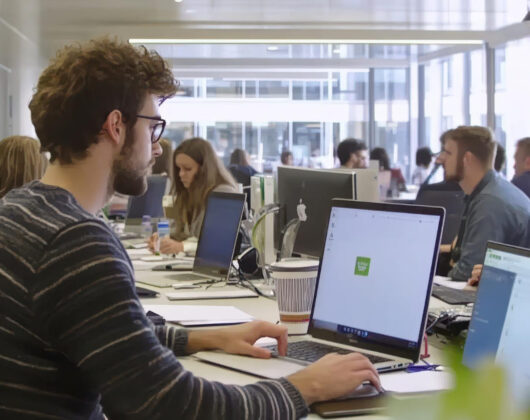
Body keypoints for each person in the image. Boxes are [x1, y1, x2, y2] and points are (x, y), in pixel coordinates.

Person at [0, 38, 380, 420]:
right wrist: (306, 386)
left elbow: (109, 335)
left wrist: (209, 337)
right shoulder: (75, 241)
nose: (158, 147)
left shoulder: (20, 211)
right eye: (153, 127)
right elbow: (170, 404)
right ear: (116, 126)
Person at [437, 126, 530, 282]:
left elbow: (467, 272)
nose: (440, 159)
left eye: (447, 153)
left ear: (467, 159)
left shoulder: (489, 203)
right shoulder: (489, 191)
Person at [148, 137, 238, 255]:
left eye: (188, 169)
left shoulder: (224, 194)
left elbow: (218, 243)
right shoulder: (188, 193)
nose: (181, 174)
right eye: (179, 169)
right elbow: (179, 231)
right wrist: (163, 238)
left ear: (205, 170)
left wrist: (181, 247)